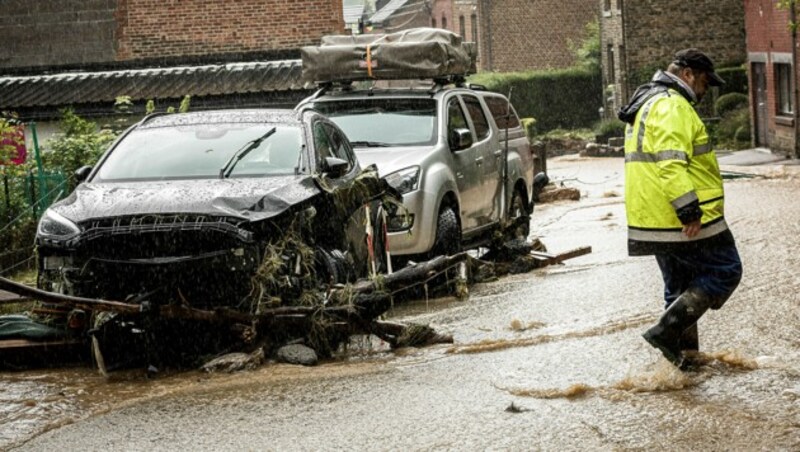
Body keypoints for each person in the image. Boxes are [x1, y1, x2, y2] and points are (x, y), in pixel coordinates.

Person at [617, 48, 743, 370]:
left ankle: (686, 364)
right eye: (703, 82)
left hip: (655, 217)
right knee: (726, 269)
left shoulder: (648, 102)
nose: (704, 91)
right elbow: (670, 164)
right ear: (687, 74)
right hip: (683, 217)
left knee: (680, 287)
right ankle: (666, 332)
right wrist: (689, 211)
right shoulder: (672, 105)